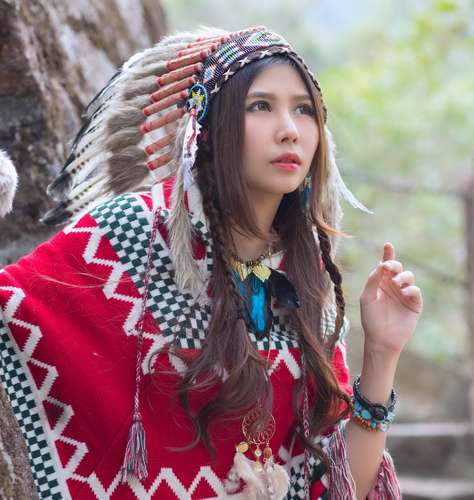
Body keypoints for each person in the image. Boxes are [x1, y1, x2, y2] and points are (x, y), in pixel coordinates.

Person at [0, 26, 423, 499]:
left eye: (304, 109)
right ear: (210, 126)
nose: (289, 128)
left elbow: (340, 489)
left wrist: (383, 352)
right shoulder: (132, 235)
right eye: (261, 106)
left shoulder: (309, 286)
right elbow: (10, 317)